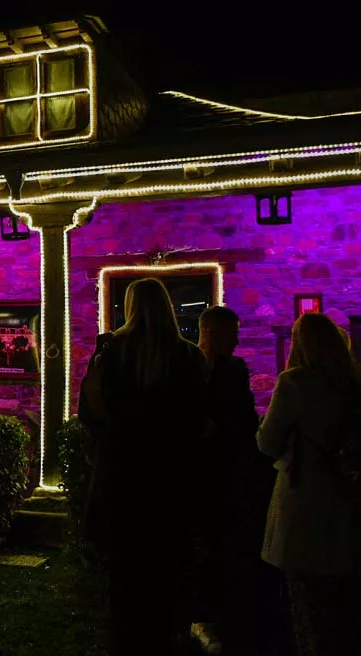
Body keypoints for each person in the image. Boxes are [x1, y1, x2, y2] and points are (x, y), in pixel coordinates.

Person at [79, 278, 208, 654]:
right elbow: (198, 419)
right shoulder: (187, 356)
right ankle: (165, 638)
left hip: (122, 476)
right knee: (166, 572)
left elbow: (90, 412)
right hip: (170, 477)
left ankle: (127, 641)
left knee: (125, 577)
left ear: (130, 306)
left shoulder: (112, 350)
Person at [257, 312, 361, 655]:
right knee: (346, 608)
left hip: (305, 502)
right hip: (350, 501)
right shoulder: (358, 381)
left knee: (309, 605)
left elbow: (267, 443)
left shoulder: (294, 382)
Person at [190, 306, 274, 653]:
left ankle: (220, 614)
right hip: (197, 470)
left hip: (226, 470)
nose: (238, 340)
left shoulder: (235, 369)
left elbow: (246, 419)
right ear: (209, 332)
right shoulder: (188, 366)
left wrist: (220, 429)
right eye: (232, 333)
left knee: (222, 542)